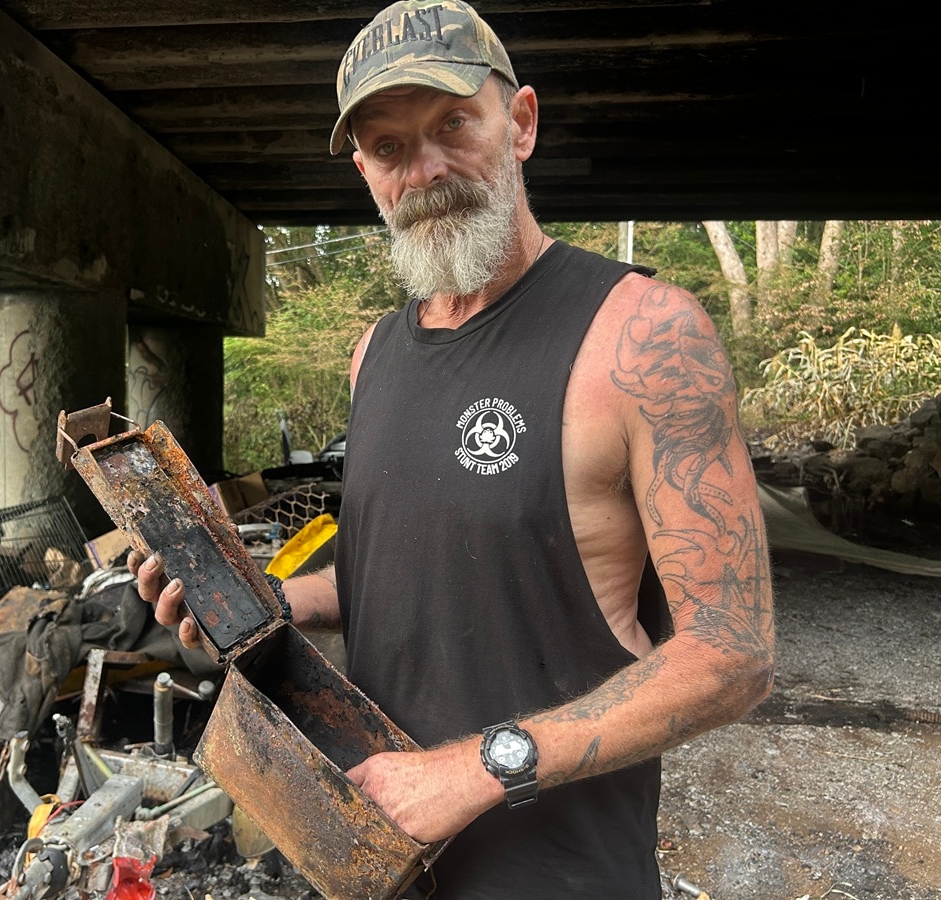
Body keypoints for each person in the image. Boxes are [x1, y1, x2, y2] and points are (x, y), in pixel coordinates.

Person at [130, 1, 775, 896]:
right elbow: (405, 578)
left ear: (521, 124)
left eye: (453, 125)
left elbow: (732, 654)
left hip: (557, 876)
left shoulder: (643, 336)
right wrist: (261, 600)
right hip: (379, 858)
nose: (425, 168)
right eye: (389, 146)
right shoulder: (375, 354)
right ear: (365, 171)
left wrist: (476, 769)